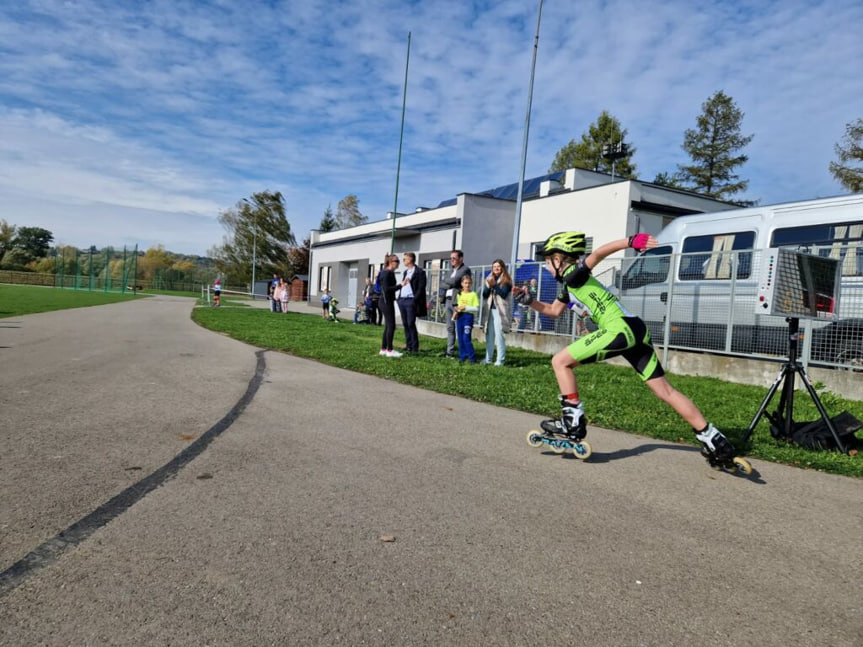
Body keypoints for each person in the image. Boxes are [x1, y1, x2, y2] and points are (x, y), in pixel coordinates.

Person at [512, 230, 739, 464]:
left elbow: (598, 253)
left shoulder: (573, 274)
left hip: (618, 330)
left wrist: (630, 242)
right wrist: (530, 302)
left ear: (559, 260)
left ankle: (572, 421)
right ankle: (713, 439)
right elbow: (553, 311)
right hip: (637, 329)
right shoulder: (569, 286)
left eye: (548, 261)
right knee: (665, 391)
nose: (547, 267)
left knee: (559, 361)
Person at [438, 250, 471, 358]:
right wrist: (448, 282)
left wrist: (447, 283)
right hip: (448, 300)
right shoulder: (450, 271)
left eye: (454, 258)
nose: (451, 260)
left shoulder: (465, 269)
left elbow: (454, 281)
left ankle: (464, 353)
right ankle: (450, 352)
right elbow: (441, 283)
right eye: (450, 258)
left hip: (458, 302)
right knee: (450, 328)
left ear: (461, 259)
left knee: (460, 328)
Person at [481, 259, 512, 366]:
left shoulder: (507, 280)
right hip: (490, 310)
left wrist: (494, 285)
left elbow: (503, 294)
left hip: (501, 311)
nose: (496, 269)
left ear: (503, 267)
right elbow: (484, 295)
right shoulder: (489, 278)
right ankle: (488, 359)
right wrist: (488, 286)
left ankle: (500, 360)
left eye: (498, 266)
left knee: (499, 336)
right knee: (489, 335)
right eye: (494, 267)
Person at [397, 252, 427, 354]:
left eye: (404, 259)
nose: (403, 261)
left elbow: (421, 287)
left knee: (410, 323)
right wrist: (399, 298)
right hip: (402, 300)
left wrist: (415, 299)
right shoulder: (405, 272)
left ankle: (414, 347)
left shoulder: (419, 272)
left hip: (411, 300)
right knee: (405, 324)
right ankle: (408, 345)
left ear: (410, 259)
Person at [377, 254, 402, 357]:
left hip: (386, 301)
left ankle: (383, 349)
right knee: (391, 326)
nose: (398, 263)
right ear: (391, 262)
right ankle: (390, 350)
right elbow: (387, 289)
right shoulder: (387, 273)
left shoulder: (387, 273)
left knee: (388, 326)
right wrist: (400, 285)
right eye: (397, 261)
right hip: (386, 302)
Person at [453, 274, 479, 363]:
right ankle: (462, 357)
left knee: (466, 338)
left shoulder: (473, 294)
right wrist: (457, 310)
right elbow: (458, 306)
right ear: (462, 284)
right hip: (460, 317)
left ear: (471, 284)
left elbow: (476, 308)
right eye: (465, 283)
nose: (467, 285)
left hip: (468, 317)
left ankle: (472, 358)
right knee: (460, 338)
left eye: (469, 283)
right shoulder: (459, 294)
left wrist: (466, 308)